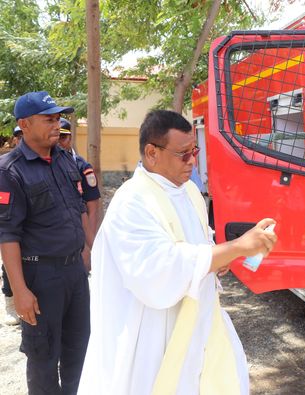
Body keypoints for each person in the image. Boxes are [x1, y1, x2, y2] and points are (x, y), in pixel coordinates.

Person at [79, 109, 277, 394]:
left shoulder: (189, 192)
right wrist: (235, 246)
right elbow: (158, 270)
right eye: (183, 153)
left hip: (198, 321)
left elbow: (200, 247)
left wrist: (225, 258)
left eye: (193, 150)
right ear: (152, 153)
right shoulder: (132, 202)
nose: (193, 160)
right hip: (152, 332)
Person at [0, 91, 91, 394]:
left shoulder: (64, 159)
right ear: (24, 124)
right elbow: (8, 234)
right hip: (41, 278)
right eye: (48, 119)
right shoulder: (10, 170)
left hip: (74, 273)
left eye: (57, 118)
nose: (57, 125)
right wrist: (20, 291)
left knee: (79, 350)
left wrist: (87, 248)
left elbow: (79, 208)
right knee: (43, 357)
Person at [58, 118, 101, 270]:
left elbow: (93, 209)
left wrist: (88, 248)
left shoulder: (82, 167)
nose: (59, 142)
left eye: (63, 137)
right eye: (57, 137)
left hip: (78, 240)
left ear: (70, 138)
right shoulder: (45, 165)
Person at [1, 125, 23, 325]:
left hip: (28, 228)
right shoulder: (7, 164)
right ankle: (9, 304)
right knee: (8, 265)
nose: (20, 139)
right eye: (18, 136)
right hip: (8, 222)